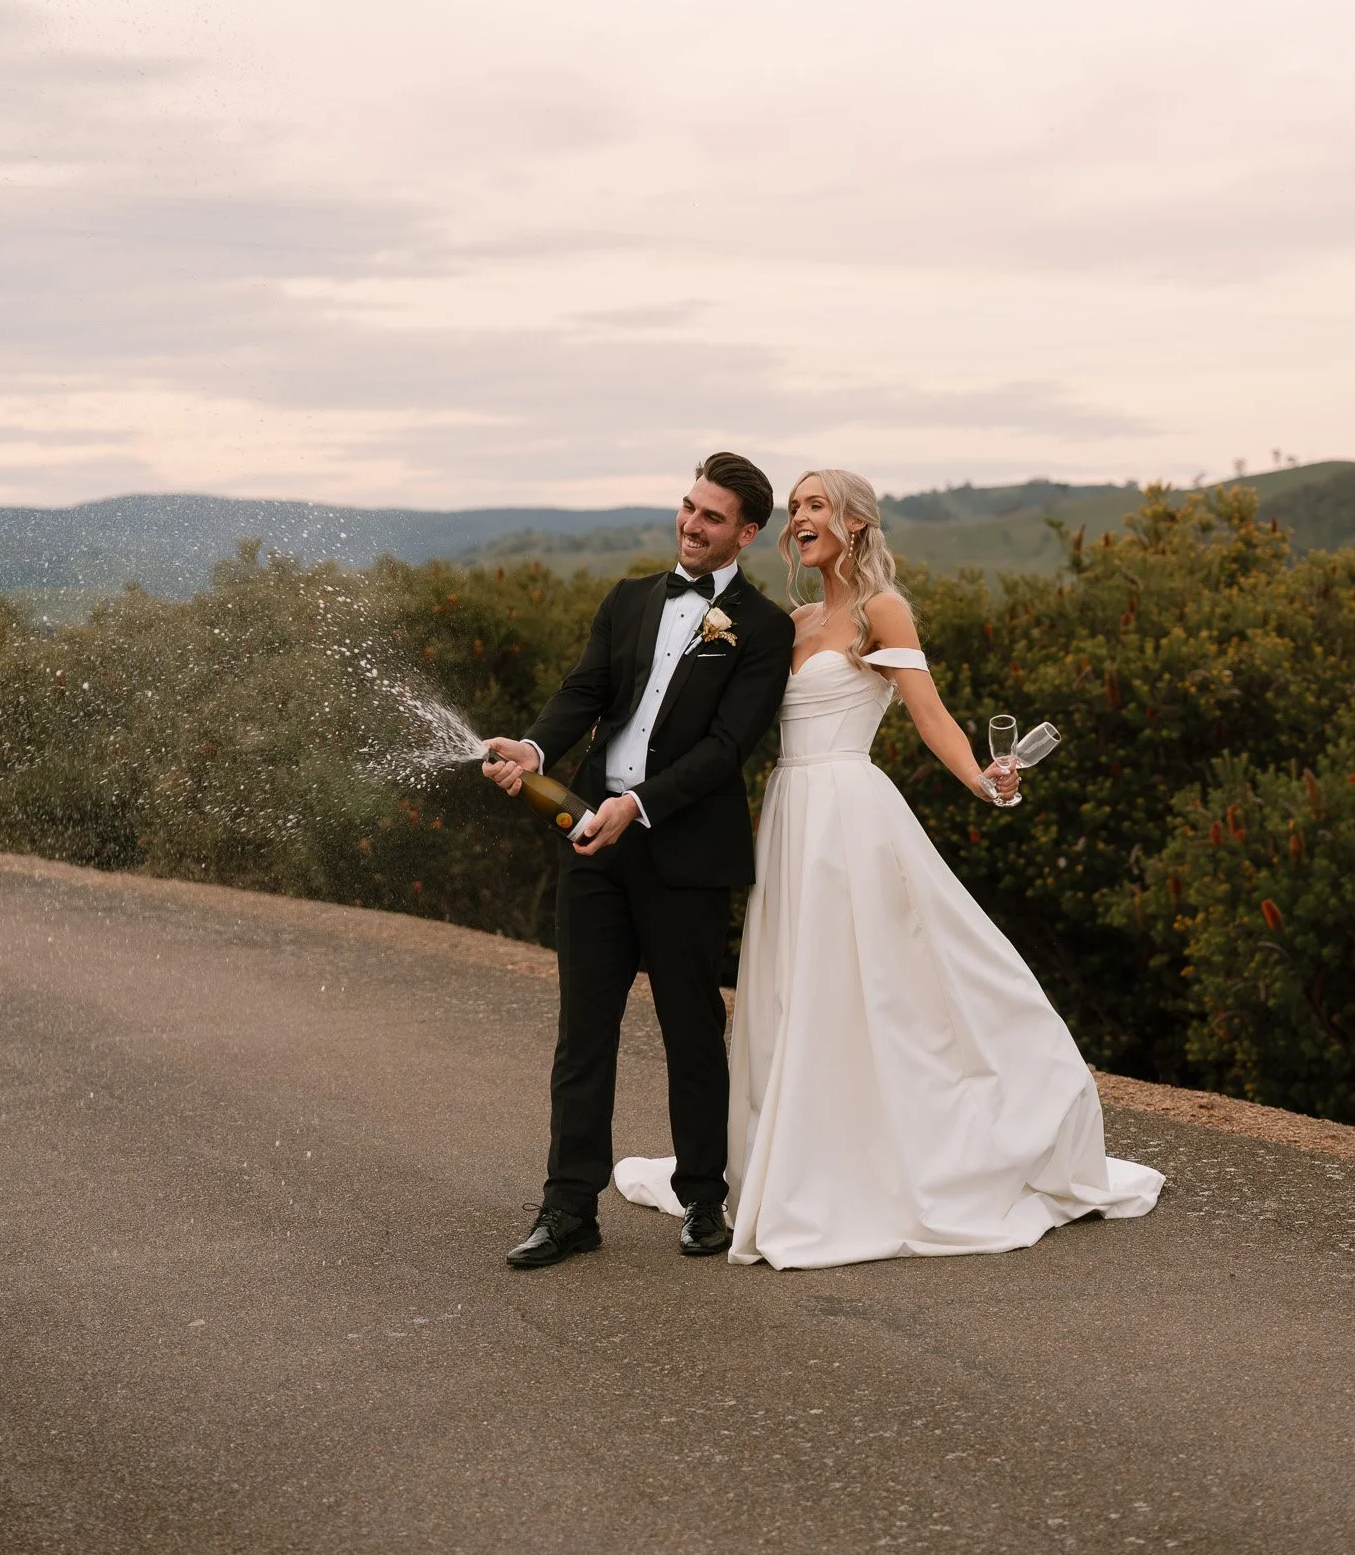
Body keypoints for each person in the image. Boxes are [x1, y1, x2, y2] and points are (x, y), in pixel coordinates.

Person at [615, 468, 1163, 1267]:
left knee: (881, 981)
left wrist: (982, 780)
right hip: (788, 814)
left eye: (815, 505)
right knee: (794, 985)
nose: (800, 517)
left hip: (848, 815)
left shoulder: (882, 609)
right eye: (795, 507)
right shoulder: (794, 621)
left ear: (854, 524)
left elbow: (926, 711)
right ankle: (799, 1145)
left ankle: (937, 1139)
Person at [482, 451, 796, 1268]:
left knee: (691, 1029)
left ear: (746, 534)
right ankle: (568, 1208)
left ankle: (704, 1198)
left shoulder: (766, 629)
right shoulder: (626, 600)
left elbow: (727, 747)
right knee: (582, 1031)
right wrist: (535, 748)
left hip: (684, 853)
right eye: (688, 507)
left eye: (712, 517)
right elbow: (582, 692)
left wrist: (641, 804)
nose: (691, 524)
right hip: (593, 840)